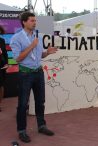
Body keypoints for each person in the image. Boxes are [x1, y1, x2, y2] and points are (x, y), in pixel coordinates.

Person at [10, 12, 57, 143]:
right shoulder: (16, 38)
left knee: (40, 101)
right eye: (32, 20)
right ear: (24, 22)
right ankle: (22, 131)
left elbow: (39, 56)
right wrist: (32, 45)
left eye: (35, 20)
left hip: (38, 72)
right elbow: (18, 58)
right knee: (23, 104)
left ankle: (41, 126)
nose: (34, 22)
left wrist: (47, 52)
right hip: (25, 74)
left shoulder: (37, 36)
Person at [0, 25, 8, 112]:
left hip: (1, 67)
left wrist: (6, 63)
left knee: (1, 86)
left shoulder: (2, 41)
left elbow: (5, 53)